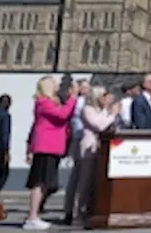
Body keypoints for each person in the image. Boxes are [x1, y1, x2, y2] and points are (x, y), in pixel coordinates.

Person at [24, 75, 78, 231]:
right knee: (40, 182)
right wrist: (73, 98)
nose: (56, 85)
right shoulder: (43, 103)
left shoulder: (49, 102)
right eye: (53, 83)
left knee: (45, 182)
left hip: (52, 146)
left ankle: (34, 215)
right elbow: (62, 115)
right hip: (46, 146)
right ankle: (32, 217)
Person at [75, 85, 120, 225]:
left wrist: (110, 113)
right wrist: (112, 114)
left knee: (97, 182)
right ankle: (81, 213)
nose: (106, 99)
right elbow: (100, 126)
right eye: (103, 96)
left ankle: (95, 211)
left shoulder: (104, 110)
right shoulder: (88, 110)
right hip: (89, 148)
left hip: (103, 150)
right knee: (86, 182)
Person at [60, 79, 90, 227]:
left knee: (75, 177)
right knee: (81, 177)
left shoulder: (75, 102)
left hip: (77, 139)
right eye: (85, 87)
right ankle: (78, 211)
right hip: (81, 139)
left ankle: (69, 210)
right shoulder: (82, 103)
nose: (88, 89)